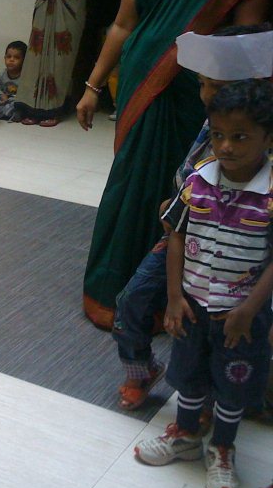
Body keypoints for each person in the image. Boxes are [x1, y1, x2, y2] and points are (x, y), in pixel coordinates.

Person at [76, 0, 270, 330]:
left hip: (201, 90)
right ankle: (110, 291)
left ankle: (182, 299)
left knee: (187, 187)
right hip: (140, 75)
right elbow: (123, 24)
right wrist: (93, 85)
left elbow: (246, 44)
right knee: (131, 180)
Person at [111, 25, 273, 412]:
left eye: (217, 86)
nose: (207, 95)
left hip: (240, 253)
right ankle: (141, 368)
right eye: (202, 84)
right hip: (187, 236)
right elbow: (192, 172)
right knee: (131, 299)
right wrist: (176, 202)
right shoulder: (211, 124)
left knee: (222, 329)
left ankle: (210, 397)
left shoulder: (258, 135)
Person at [134, 79, 273, 488]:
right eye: (217, 135)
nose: (226, 146)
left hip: (241, 316)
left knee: (233, 383)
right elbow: (176, 234)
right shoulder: (197, 181)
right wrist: (175, 297)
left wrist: (249, 310)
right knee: (189, 373)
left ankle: (223, 448)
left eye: (240, 137)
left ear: (268, 138)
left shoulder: (269, 193)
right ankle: (186, 434)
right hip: (192, 305)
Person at [14, 0, 93, 127]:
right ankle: (31, 108)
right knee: (36, 53)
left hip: (72, 0)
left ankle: (55, 109)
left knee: (63, 56)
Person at [0, 40, 26, 121]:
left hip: (15, 102)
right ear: (5, 58)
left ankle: (9, 114)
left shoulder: (25, 76)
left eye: (16, 57)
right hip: (3, 100)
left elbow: (26, 94)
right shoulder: (2, 74)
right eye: (9, 57)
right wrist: (2, 95)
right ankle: (4, 113)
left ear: (24, 60)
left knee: (20, 106)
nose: (11, 60)